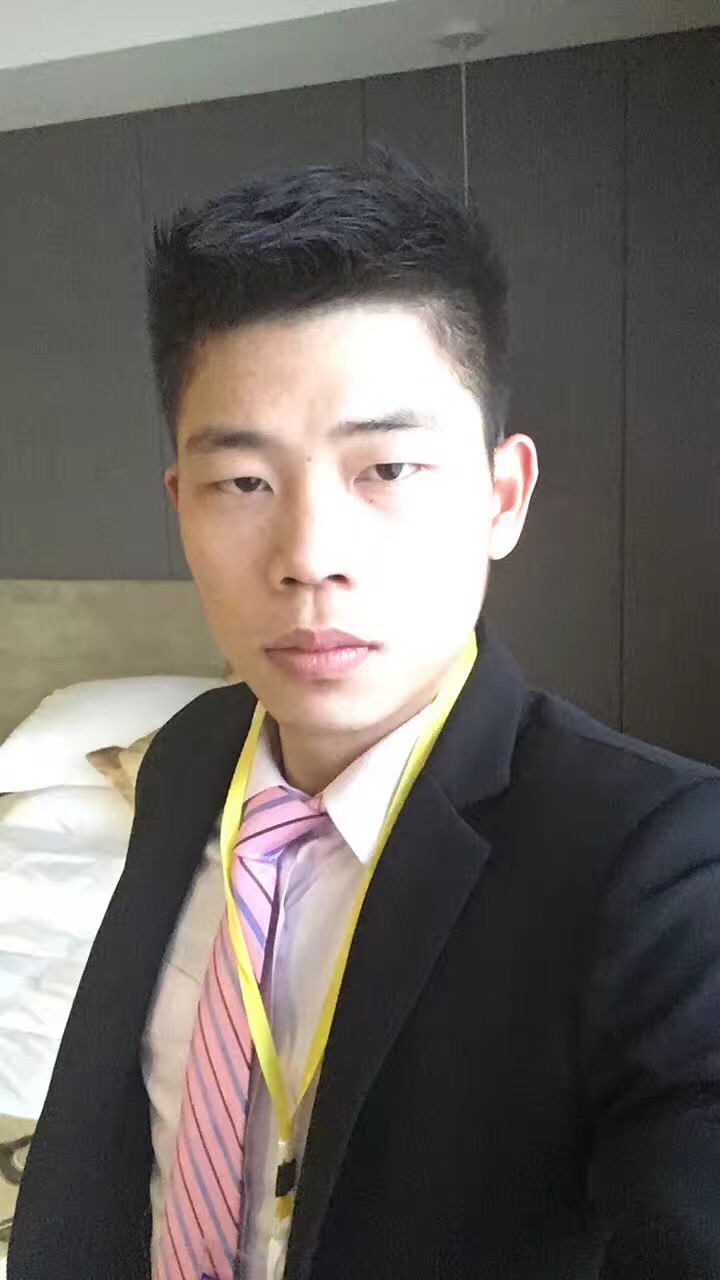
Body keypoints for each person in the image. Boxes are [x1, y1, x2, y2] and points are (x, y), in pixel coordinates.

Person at [8, 148, 720, 1280]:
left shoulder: (663, 866)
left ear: (502, 496)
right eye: (243, 482)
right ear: (180, 504)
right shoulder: (190, 753)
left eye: (386, 468)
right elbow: (98, 1142)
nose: (309, 556)